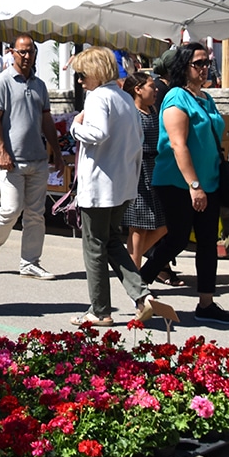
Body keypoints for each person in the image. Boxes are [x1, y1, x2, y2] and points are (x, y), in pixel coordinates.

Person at [139, 43, 229, 326]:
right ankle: (141, 280)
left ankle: (206, 303)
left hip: (210, 181)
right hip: (178, 182)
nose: (205, 68)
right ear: (184, 67)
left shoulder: (205, 98)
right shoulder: (176, 98)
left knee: (208, 242)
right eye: (199, 63)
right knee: (179, 238)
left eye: (207, 63)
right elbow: (179, 145)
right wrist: (194, 185)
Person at [66, 47, 156, 327]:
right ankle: (142, 295)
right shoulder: (123, 97)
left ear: (94, 72)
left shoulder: (99, 97)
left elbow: (97, 133)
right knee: (112, 241)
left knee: (94, 246)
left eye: (82, 75)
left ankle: (100, 309)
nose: (80, 81)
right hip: (124, 184)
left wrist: (74, 126)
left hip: (99, 187)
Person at [0, 35, 63, 280]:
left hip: (37, 158)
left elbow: (46, 120)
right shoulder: (1, 82)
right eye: (22, 52)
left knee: (36, 214)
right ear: (12, 53)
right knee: (11, 208)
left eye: (30, 52)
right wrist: (1, 150)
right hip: (11, 159)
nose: (26, 56)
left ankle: (30, 262)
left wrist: (57, 152)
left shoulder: (39, 85)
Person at [121, 73, 166, 270]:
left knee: (162, 225)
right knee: (138, 227)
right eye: (150, 86)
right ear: (138, 89)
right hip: (137, 172)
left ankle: (128, 263)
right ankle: (135, 275)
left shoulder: (152, 110)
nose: (155, 89)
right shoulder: (130, 113)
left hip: (155, 170)